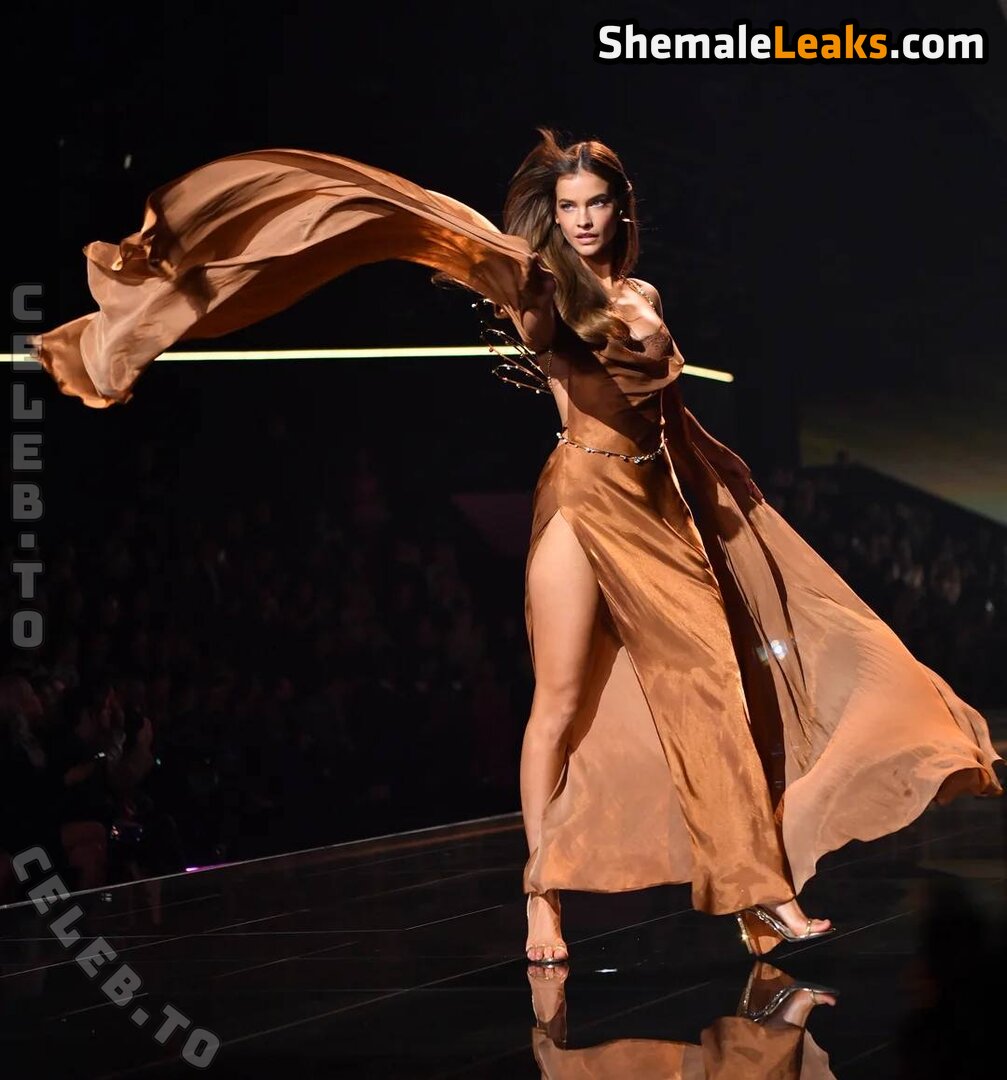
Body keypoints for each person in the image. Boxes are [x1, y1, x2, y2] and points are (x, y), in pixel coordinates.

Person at [30, 131, 1003, 965]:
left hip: (657, 509)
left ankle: (754, 894)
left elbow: (670, 417)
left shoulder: (643, 292)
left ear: (620, 210)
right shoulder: (538, 288)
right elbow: (487, 279)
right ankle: (542, 897)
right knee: (561, 707)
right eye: (566, 206)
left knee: (714, 691)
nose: (580, 219)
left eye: (594, 204)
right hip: (580, 500)